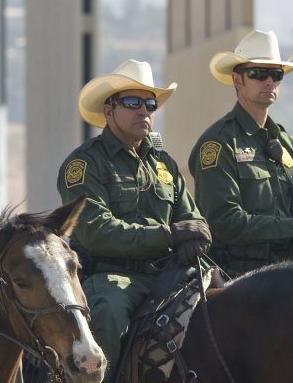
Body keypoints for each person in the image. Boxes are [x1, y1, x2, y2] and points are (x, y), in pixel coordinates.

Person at [57, 59, 210, 383]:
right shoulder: (85, 164)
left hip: (170, 274)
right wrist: (168, 236)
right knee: (108, 316)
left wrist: (197, 236)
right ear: (108, 110)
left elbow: (192, 217)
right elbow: (96, 231)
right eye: (132, 102)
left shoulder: (164, 164)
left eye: (150, 104)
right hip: (112, 276)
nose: (144, 111)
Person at [188, 29, 293, 275]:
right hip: (235, 276)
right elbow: (225, 222)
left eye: (276, 75)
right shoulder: (219, 143)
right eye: (258, 74)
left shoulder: (288, 144)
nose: (269, 82)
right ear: (237, 80)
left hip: (287, 272)